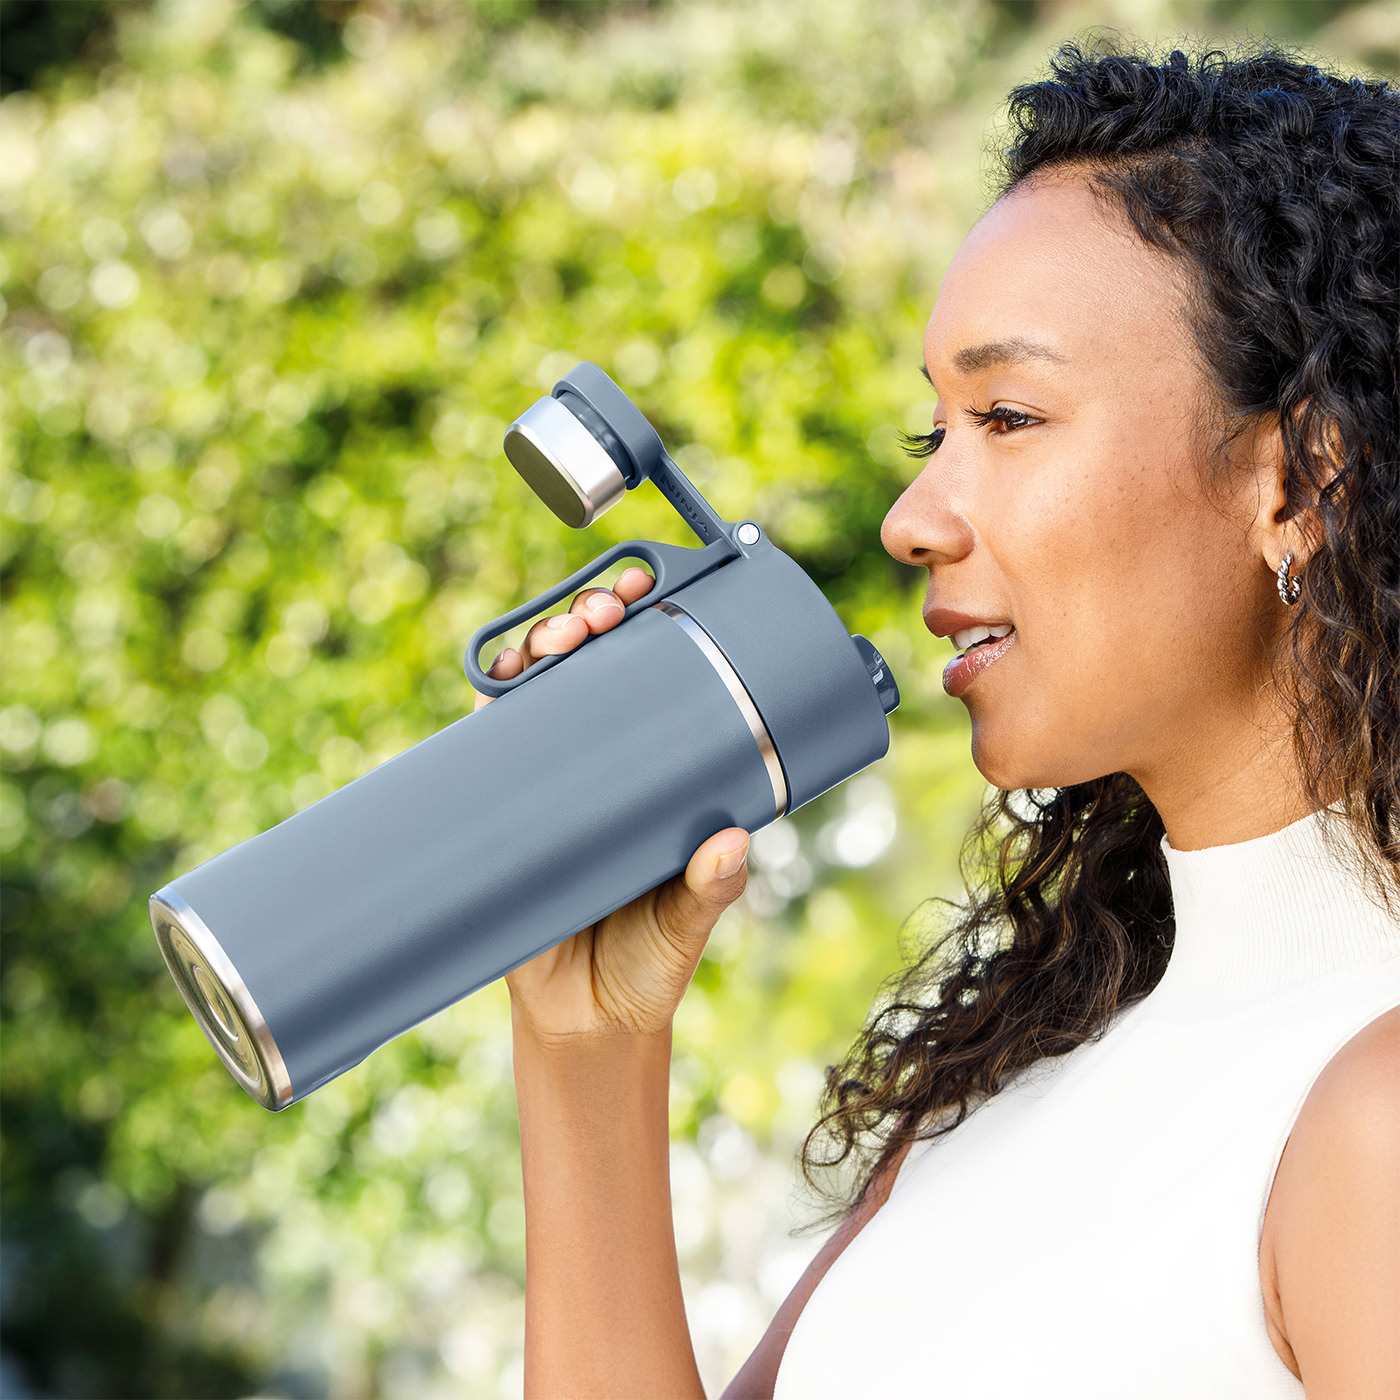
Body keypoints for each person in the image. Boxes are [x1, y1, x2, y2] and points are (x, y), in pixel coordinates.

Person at [473, 38, 1400, 1399]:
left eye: (1009, 416)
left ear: (1298, 481)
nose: (916, 519)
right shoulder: (990, 1111)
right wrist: (586, 1045)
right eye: (935, 434)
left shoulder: (1371, 1119)